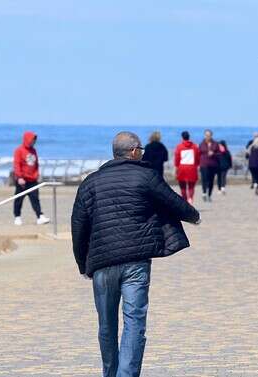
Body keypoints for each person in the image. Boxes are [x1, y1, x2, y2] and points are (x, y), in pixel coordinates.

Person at [71, 131, 201, 377]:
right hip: (135, 262)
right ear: (133, 151)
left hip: (101, 263)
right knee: (134, 322)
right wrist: (195, 217)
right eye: (140, 149)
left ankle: (110, 373)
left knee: (106, 326)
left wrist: (82, 264)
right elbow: (173, 201)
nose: (141, 153)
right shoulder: (145, 175)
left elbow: (78, 225)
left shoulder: (91, 182)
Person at [13, 131, 50, 226]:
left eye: (34, 140)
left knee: (35, 199)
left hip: (33, 180)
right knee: (19, 199)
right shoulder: (19, 150)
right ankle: (17, 217)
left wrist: (37, 174)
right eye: (32, 140)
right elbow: (17, 164)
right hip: (22, 180)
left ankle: (39, 216)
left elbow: (36, 164)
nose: (33, 142)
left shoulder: (34, 150)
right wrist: (20, 177)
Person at [174, 131, 200, 205]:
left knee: (183, 187)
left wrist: (176, 168)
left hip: (182, 168)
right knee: (191, 186)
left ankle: (185, 200)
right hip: (192, 167)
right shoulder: (195, 146)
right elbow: (198, 157)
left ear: (182, 137)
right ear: (189, 137)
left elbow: (177, 158)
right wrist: (197, 165)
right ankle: (190, 198)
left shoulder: (179, 146)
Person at [199, 129, 220, 202]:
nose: (208, 136)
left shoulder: (215, 144)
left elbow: (219, 154)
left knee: (211, 180)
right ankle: (204, 193)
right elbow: (198, 153)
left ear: (211, 135)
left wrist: (213, 153)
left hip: (213, 164)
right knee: (204, 179)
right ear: (204, 135)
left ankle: (209, 195)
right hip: (203, 164)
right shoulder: (201, 144)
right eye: (206, 135)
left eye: (209, 135)